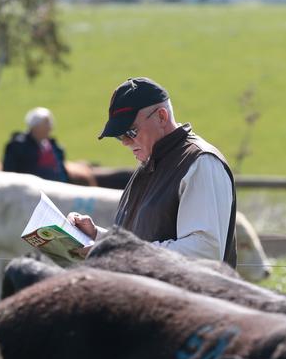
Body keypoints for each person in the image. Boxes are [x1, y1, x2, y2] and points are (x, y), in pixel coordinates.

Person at [68, 77, 237, 267]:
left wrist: (119, 253)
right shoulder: (152, 161)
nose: (125, 142)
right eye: (119, 136)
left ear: (162, 117)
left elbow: (203, 252)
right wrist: (99, 238)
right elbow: (141, 241)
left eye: (130, 131)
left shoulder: (201, 163)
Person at [2, 107, 69, 183]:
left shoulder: (56, 147)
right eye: (46, 123)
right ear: (35, 126)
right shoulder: (18, 146)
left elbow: (62, 173)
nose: (50, 127)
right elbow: (9, 173)